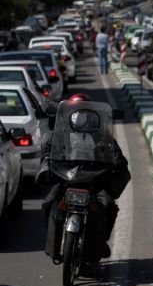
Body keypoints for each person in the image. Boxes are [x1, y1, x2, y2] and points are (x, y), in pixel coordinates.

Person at [37, 93, 131, 273]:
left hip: (94, 182)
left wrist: (118, 165)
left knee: (108, 205)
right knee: (49, 203)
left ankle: (101, 241)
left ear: (91, 114)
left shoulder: (101, 134)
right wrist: (46, 160)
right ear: (69, 114)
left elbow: (115, 154)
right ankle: (52, 244)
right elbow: (48, 149)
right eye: (76, 112)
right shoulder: (60, 133)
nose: (79, 116)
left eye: (83, 112)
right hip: (67, 180)